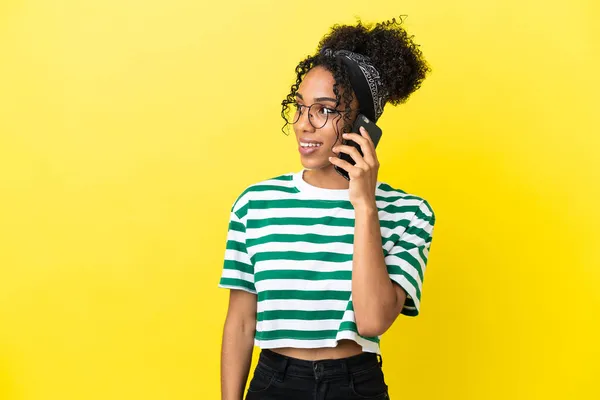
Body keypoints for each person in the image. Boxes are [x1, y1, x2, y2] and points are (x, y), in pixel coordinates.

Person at [219, 17, 436, 400]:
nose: (304, 125)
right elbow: (240, 321)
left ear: (361, 123)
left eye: (324, 110)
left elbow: (372, 320)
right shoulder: (255, 204)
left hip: (355, 384)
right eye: (299, 108)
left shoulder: (408, 213)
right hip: (274, 382)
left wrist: (365, 206)